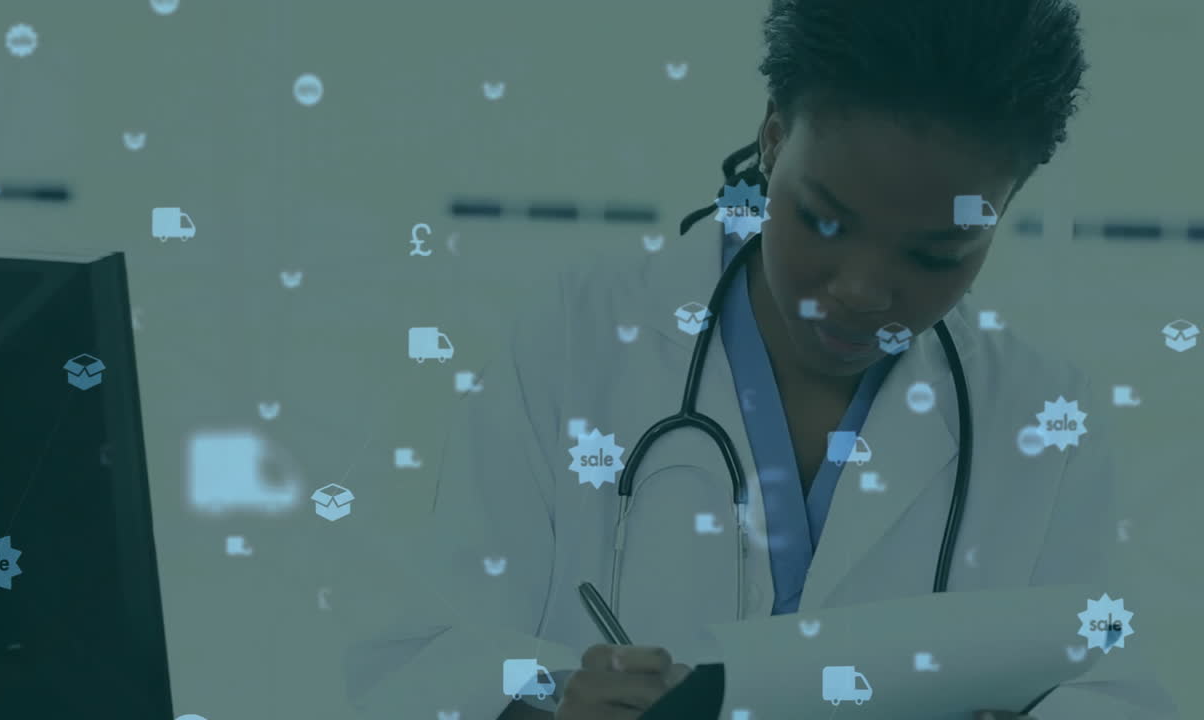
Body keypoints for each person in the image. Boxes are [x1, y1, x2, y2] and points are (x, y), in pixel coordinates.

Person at [346, 1, 1178, 718]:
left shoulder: (1035, 415)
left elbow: (1116, 686)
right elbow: (415, 662)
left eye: (935, 256)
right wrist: (549, 701)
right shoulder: (580, 341)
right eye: (823, 219)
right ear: (774, 140)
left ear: (1004, 209)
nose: (861, 292)